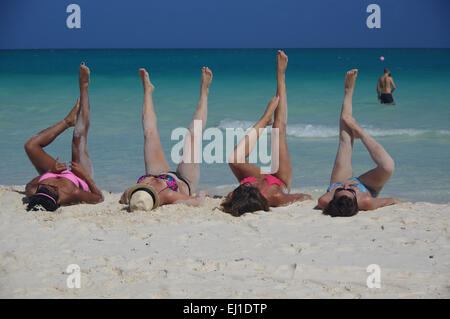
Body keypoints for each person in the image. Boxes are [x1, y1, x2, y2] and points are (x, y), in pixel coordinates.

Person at [221, 50, 312, 217]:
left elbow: (229, 200)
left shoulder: (235, 195)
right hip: (279, 179)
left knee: (233, 159)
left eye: (243, 186)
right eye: (247, 186)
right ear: (256, 193)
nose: (244, 184)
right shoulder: (276, 196)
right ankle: (281, 76)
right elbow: (303, 197)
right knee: (278, 130)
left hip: (261, 182)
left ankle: (265, 119)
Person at [120, 67, 213, 211]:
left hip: (158, 173)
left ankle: (147, 91)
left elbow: (122, 198)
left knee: (149, 133)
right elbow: (196, 201)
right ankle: (204, 93)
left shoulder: (132, 193)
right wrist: (203, 194)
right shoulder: (167, 195)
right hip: (184, 180)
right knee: (193, 135)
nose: (147, 186)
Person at [318, 69, 401, 217]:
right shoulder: (366, 202)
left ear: (332, 199)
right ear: (357, 200)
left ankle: (348, 91)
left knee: (345, 139)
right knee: (388, 166)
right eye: (350, 190)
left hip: (336, 181)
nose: (346, 185)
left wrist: (336, 187)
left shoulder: (324, 200)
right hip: (366, 185)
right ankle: (359, 130)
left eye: (340, 190)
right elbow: (392, 200)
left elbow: (338, 189)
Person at [24, 62, 104, 211]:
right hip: (79, 174)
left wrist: (50, 172)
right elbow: (99, 197)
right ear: (55, 195)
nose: (50, 185)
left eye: (44, 186)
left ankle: (68, 121)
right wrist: (85, 176)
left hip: (54, 171)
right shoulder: (70, 194)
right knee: (78, 136)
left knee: (30, 145)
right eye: (51, 188)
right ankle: (84, 87)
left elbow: (28, 186)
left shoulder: (33, 192)